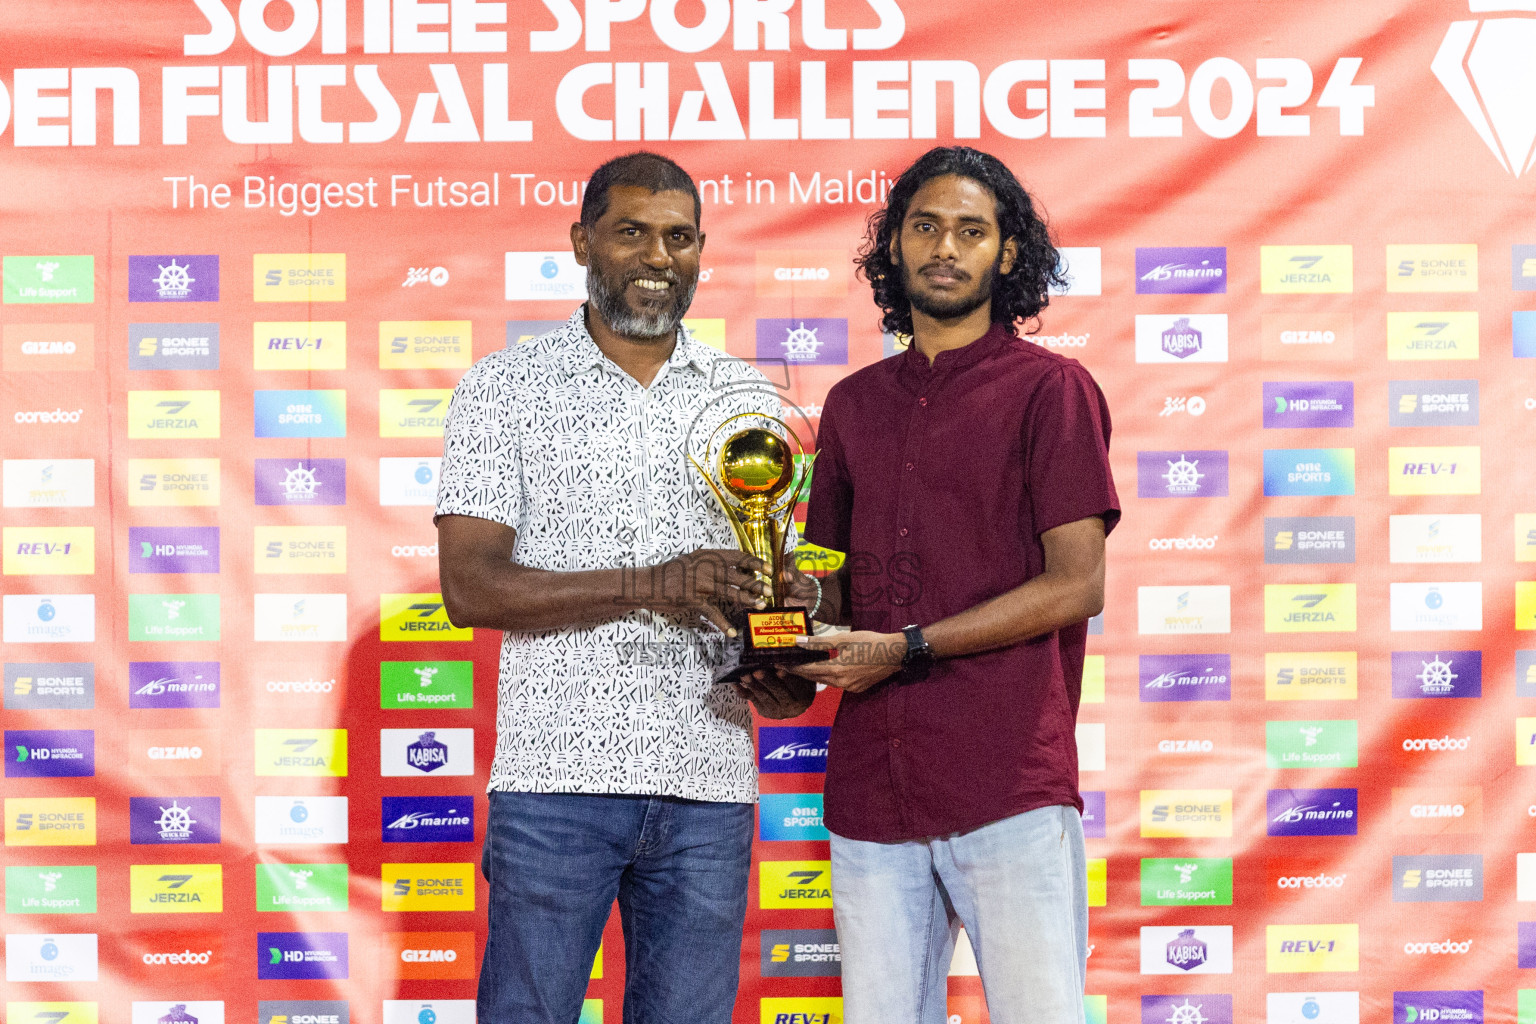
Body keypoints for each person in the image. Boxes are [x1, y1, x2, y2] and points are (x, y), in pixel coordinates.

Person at [434, 151, 815, 1024]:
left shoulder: (746, 397)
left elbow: (768, 580)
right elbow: (473, 588)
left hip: (709, 778)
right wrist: (655, 583)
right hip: (556, 781)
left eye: (679, 238)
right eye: (632, 232)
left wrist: (783, 665)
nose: (657, 257)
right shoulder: (506, 388)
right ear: (582, 242)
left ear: (700, 252)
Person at [790, 146, 1120, 1024]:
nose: (946, 247)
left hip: (1004, 774)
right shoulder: (852, 405)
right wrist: (778, 630)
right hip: (873, 785)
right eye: (926, 226)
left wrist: (908, 649)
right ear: (893, 246)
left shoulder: (1053, 391)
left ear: (1007, 254)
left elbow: (1076, 584)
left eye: (971, 231)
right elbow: (828, 593)